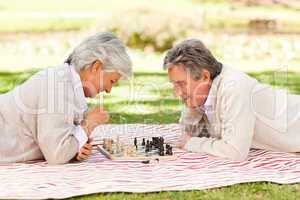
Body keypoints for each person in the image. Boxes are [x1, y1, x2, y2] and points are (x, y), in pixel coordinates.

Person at [0, 32, 132, 164]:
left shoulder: (67, 84)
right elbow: (56, 155)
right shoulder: (57, 86)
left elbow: (58, 139)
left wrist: (76, 146)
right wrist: (88, 124)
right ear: (96, 67)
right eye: (112, 81)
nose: (109, 90)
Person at [164, 39, 300, 161]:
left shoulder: (234, 87)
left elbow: (235, 152)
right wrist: (191, 104)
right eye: (174, 85)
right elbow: (188, 132)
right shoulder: (205, 91)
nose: (176, 93)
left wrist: (191, 144)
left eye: (181, 84)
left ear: (205, 77)